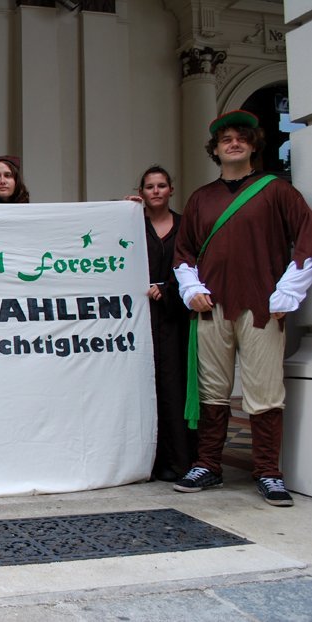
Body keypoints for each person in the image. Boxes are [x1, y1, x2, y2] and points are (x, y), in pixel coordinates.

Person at [172, 109, 312, 507]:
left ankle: (268, 471)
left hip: (261, 306)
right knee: (213, 391)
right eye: (225, 139)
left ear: (253, 145)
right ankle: (208, 465)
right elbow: (184, 253)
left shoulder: (278, 191)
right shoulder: (201, 198)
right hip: (211, 306)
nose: (233, 143)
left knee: (265, 392)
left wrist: (288, 292)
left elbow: (307, 240)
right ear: (215, 150)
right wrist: (191, 289)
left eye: (241, 137)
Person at [133, 166, 196, 481]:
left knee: (174, 385)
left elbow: (195, 265)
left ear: (171, 189)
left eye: (161, 185)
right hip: (140, 317)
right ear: (141, 192)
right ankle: (150, 461)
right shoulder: (133, 226)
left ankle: (179, 460)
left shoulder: (185, 226)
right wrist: (121, 210)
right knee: (144, 385)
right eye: (150, 186)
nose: (156, 191)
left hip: (175, 318)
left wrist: (168, 289)